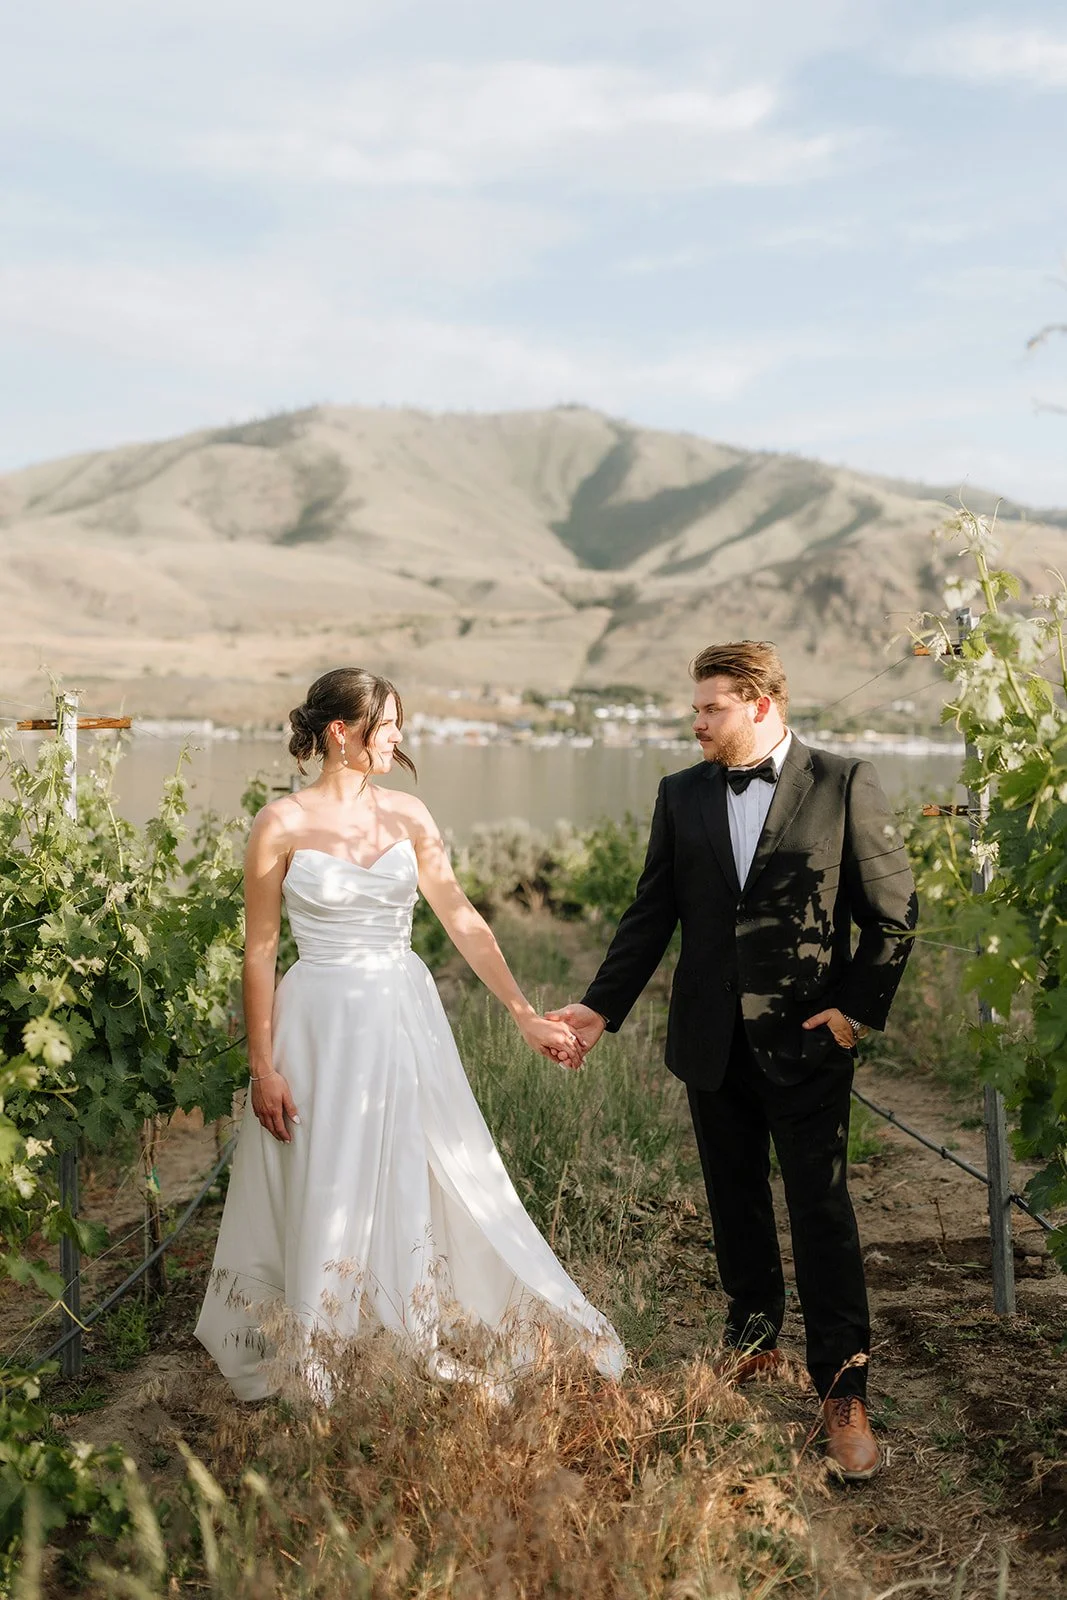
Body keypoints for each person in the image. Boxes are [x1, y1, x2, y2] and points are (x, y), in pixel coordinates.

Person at [195, 667, 625, 1401]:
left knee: (416, 1161)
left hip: (400, 1009)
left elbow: (462, 919)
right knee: (324, 1170)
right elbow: (260, 951)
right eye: (386, 726)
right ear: (342, 732)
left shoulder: (410, 816)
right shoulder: (280, 825)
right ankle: (320, 1343)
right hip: (320, 1020)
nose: (397, 739)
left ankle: (407, 1320)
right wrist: (261, 1065)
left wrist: (522, 1012)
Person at [550, 641, 916, 1480]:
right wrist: (600, 1008)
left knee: (821, 1211)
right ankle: (752, 1340)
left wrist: (854, 1013)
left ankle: (842, 1387)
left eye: (709, 706)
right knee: (734, 1196)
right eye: (696, 708)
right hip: (709, 1041)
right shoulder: (679, 794)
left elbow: (893, 915)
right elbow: (651, 915)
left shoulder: (843, 783)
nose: (696, 721)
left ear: (759, 703)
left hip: (809, 1041)